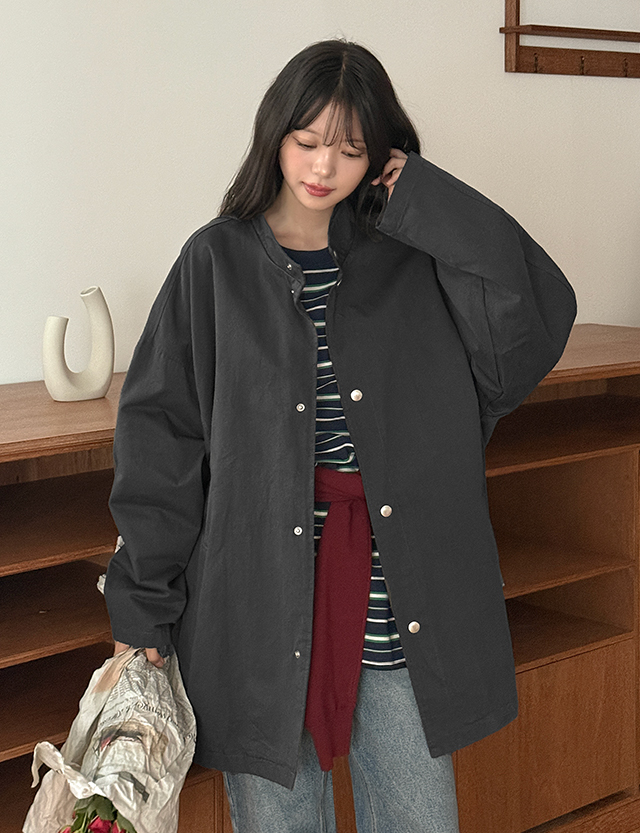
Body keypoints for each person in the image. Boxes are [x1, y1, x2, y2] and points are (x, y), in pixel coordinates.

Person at [105, 39, 577, 833]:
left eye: (352, 149)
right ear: (275, 135)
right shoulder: (214, 263)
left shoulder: (412, 258)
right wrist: (141, 607)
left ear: (382, 154)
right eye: (307, 141)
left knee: (421, 820)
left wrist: (424, 197)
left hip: (399, 608)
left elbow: (531, 322)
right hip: (262, 610)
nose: (324, 166)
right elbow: (161, 442)